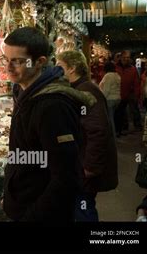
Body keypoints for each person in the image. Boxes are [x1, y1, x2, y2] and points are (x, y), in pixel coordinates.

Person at [2, 27, 93, 222]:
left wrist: (31, 216)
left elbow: (67, 178)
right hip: (23, 204)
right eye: (6, 59)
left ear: (40, 62)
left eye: (17, 61)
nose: (8, 67)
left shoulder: (52, 106)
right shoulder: (24, 93)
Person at [56, 51, 118, 221]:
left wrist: (89, 167)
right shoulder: (79, 88)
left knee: (83, 208)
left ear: (72, 68)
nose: (56, 70)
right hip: (80, 165)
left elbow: (98, 131)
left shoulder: (85, 90)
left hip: (85, 168)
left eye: (59, 66)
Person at [115, 50, 142, 135]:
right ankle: (123, 126)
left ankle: (138, 125)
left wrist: (136, 94)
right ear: (121, 57)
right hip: (119, 92)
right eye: (124, 57)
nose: (126, 59)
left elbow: (136, 82)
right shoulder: (115, 67)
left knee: (134, 109)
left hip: (130, 92)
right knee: (122, 111)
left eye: (127, 57)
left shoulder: (132, 69)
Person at [99, 62, 121, 139]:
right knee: (113, 117)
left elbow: (106, 90)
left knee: (110, 119)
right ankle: (113, 135)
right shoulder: (117, 75)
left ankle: (112, 137)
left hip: (109, 99)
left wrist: (101, 99)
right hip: (117, 98)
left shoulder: (108, 76)